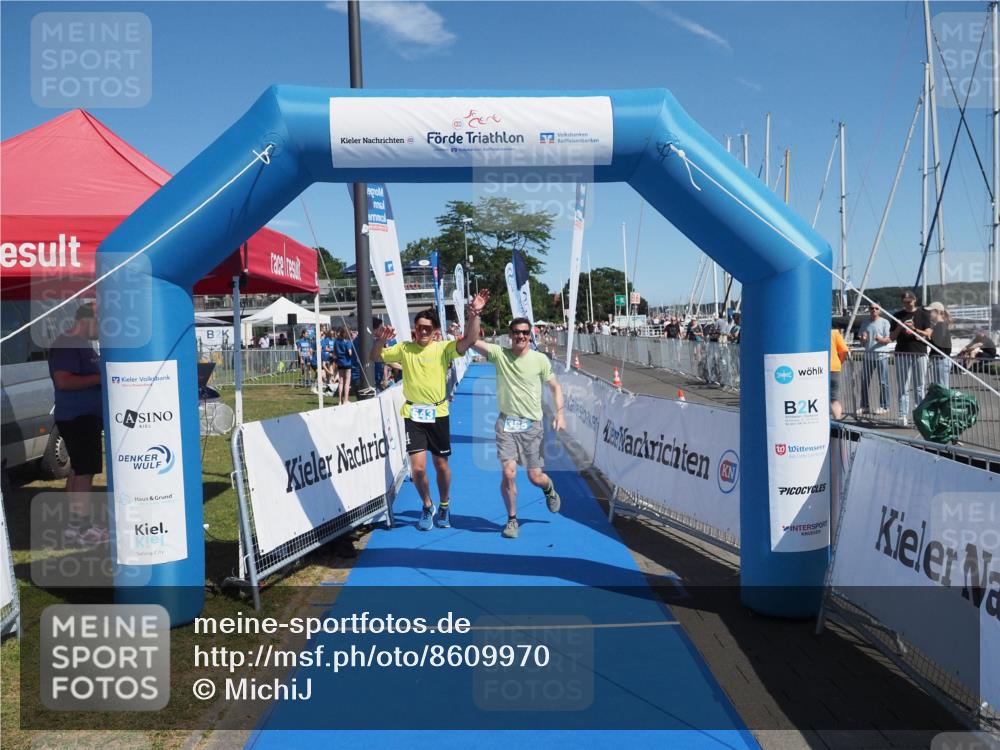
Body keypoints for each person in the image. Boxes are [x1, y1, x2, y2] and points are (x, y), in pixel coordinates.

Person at [372, 293, 489, 531]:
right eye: (419, 328)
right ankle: (427, 505)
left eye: (427, 328)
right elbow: (375, 357)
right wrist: (380, 341)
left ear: (435, 331)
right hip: (413, 414)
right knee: (417, 468)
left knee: (441, 465)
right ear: (414, 330)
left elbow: (470, 339)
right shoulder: (405, 348)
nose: (423, 332)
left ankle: (444, 504)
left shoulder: (443, 348)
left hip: (438, 413)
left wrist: (474, 314)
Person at [471, 317, 565, 539]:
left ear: (530, 335)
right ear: (510, 334)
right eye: (516, 332)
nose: (520, 336)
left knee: (535, 477)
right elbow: (472, 340)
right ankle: (512, 519)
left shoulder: (540, 359)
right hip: (506, 424)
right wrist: (475, 314)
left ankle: (548, 488)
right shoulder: (499, 354)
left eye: (524, 332)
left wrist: (560, 413)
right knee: (508, 473)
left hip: (532, 426)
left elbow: (555, 387)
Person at [48, 302, 107, 545]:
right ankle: (84, 529)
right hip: (78, 417)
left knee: (78, 470)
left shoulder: (83, 344)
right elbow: (63, 381)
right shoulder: (67, 343)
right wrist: (98, 378)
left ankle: (73, 527)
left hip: (83, 417)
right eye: (100, 323)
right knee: (85, 473)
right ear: (88, 320)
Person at [890, 290, 932, 425]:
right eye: (905, 302)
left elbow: (928, 334)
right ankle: (902, 415)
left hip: (919, 353)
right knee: (903, 386)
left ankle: (919, 415)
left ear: (915, 300)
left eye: (909, 301)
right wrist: (899, 327)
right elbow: (892, 337)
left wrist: (914, 329)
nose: (907, 304)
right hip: (902, 353)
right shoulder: (897, 315)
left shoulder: (923, 314)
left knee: (919, 386)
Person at [858, 303, 891, 416]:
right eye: (872, 308)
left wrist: (880, 340)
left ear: (880, 310)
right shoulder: (865, 323)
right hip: (868, 356)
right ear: (869, 310)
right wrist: (863, 339)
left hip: (882, 356)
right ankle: (864, 406)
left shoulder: (885, 322)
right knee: (864, 382)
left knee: (883, 382)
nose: (874, 310)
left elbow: (888, 339)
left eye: (876, 308)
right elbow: (862, 341)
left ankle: (884, 406)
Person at [925, 302, 952, 389]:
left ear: (936, 312)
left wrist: (927, 339)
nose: (929, 314)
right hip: (940, 360)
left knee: (942, 389)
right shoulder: (940, 325)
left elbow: (938, 343)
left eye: (930, 312)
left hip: (941, 360)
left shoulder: (940, 325)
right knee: (941, 388)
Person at [829, 326, 849, 419]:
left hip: (816, 367)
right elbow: (844, 350)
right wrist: (839, 362)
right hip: (834, 367)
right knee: (834, 399)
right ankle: (838, 421)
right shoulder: (834, 332)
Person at [333, 326, 354, 406]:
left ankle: (340, 401)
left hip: (340, 363)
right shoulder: (348, 342)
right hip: (347, 363)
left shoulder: (336, 341)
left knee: (341, 382)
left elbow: (334, 352)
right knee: (347, 382)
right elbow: (350, 353)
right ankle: (345, 400)